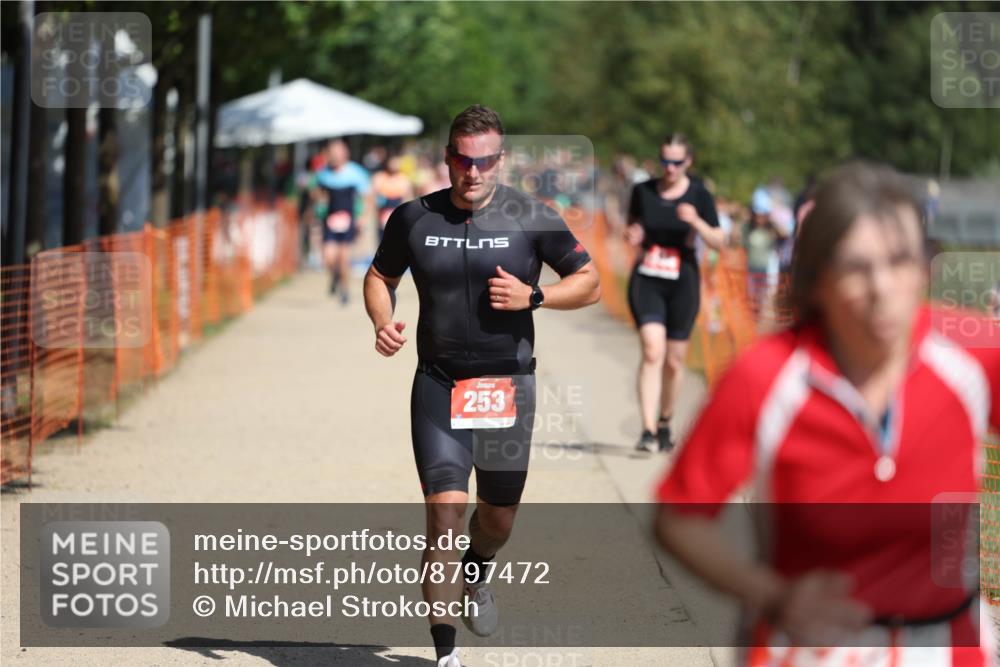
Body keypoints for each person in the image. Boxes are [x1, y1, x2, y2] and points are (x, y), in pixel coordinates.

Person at [655, 161, 1000, 665]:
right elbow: (678, 518)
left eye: (900, 261)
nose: (882, 288)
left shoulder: (971, 355)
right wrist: (772, 595)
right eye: (857, 267)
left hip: (952, 647)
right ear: (817, 279)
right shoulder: (765, 377)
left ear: (926, 267)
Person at [363, 104, 600, 667]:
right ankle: (446, 656)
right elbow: (379, 277)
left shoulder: (531, 215)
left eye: (485, 162)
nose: (473, 173)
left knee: (496, 519)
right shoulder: (413, 218)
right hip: (438, 384)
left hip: (506, 387)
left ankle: (480, 568)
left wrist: (534, 296)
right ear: (447, 159)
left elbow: (588, 282)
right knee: (444, 514)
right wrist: (382, 320)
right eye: (463, 161)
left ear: (501, 161)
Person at [625, 134, 724, 453]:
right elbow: (632, 226)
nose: (670, 168)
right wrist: (633, 233)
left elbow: (719, 241)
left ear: (688, 162)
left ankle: (665, 420)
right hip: (647, 277)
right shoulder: (643, 191)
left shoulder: (699, 194)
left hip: (683, 279)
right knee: (653, 350)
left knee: (674, 360)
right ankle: (647, 430)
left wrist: (696, 220)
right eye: (665, 160)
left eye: (677, 162)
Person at [316, 139, 372, 304]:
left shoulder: (356, 173)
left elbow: (368, 197)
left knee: (343, 258)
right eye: (332, 153)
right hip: (330, 221)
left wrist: (362, 219)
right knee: (328, 257)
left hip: (349, 222)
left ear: (345, 153)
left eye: (338, 152)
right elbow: (319, 194)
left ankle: (345, 290)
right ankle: (334, 276)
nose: (335, 156)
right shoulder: (323, 174)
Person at [372, 155, 414, 242]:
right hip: (383, 209)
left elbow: (407, 196)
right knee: (382, 235)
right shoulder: (380, 177)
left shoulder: (403, 179)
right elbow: (374, 195)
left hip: (397, 208)